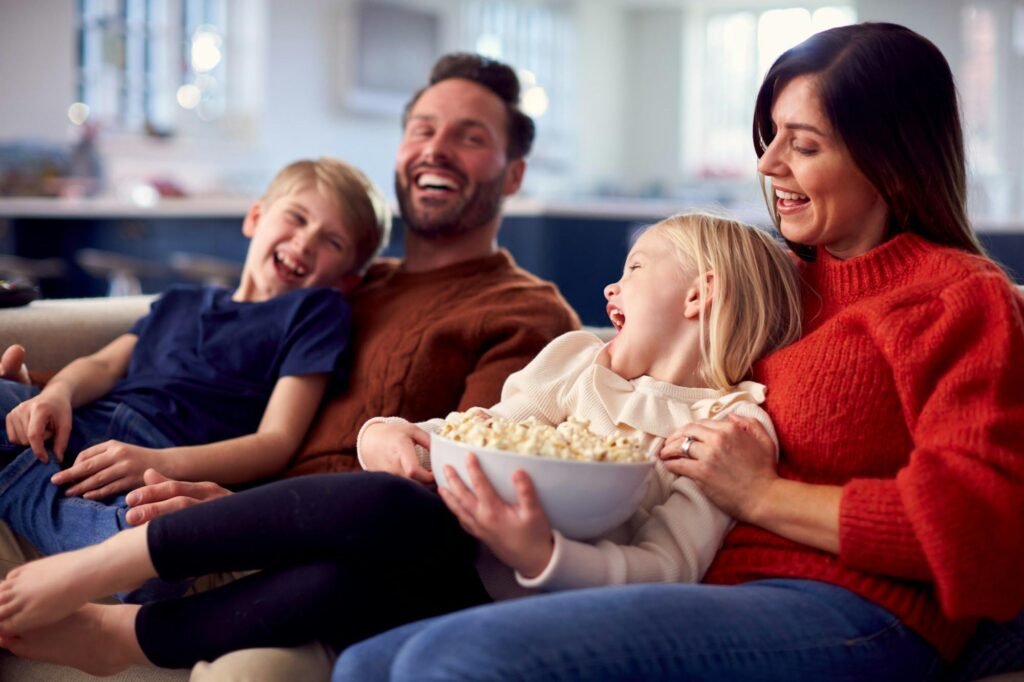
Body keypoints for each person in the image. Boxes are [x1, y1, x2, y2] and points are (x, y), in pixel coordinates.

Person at [329, 22, 1024, 682]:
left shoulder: (957, 297)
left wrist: (763, 494)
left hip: (854, 609)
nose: (768, 162)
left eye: (804, 145)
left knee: (455, 662)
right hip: (707, 581)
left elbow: (977, 528)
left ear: (892, 162)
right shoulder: (776, 283)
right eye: (771, 135)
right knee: (364, 664)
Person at [0, 211, 803, 675]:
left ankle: (120, 607)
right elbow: (474, 431)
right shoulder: (571, 361)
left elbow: (668, 569)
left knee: (360, 555)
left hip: (503, 605)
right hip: (440, 550)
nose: (609, 288)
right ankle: (123, 599)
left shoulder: (730, 427)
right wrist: (393, 433)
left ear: (700, 293)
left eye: (632, 269)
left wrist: (541, 555)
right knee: (363, 535)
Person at [0, 51, 580, 679]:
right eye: (423, 129)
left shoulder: (524, 312)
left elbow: (464, 490)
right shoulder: (338, 287)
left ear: (514, 173)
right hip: (213, 515)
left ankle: (126, 607)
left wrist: (239, 517)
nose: (436, 149)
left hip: (329, 557)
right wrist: (50, 393)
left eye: (470, 137)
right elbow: (181, 359)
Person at [0, 157, 390, 561]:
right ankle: (27, 491)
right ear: (255, 217)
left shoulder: (316, 311)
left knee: (147, 536)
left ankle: (28, 489)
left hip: (161, 451)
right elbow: (102, 365)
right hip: (85, 418)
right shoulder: (179, 300)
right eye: (297, 217)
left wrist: (157, 462)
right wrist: (56, 393)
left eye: (333, 242)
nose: (306, 241)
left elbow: (276, 442)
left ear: (348, 279)